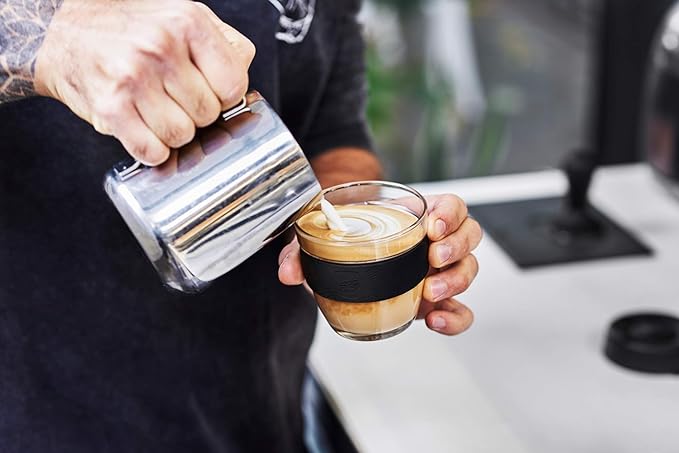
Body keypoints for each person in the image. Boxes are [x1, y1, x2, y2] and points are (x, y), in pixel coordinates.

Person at [0, 0, 482, 451]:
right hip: (45, 411)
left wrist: (366, 245)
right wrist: (55, 39)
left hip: (264, 405)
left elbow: (333, 127)